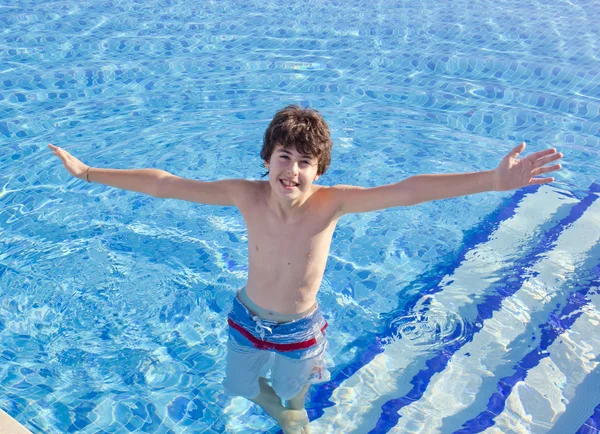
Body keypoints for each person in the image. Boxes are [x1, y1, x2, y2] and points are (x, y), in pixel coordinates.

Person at [48, 105, 562, 434]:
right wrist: (88, 172)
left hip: (298, 330)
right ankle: (294, 419)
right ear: (267, 158)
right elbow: (165, 182)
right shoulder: (243, 194)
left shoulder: (331, 204)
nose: (292, 170)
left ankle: (299, 424)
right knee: (241, 388)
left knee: (296, 410)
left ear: (320, 170)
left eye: (304, 162)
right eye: (283, 156)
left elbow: (410, 189)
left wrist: (490, 182)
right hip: (246, 319)